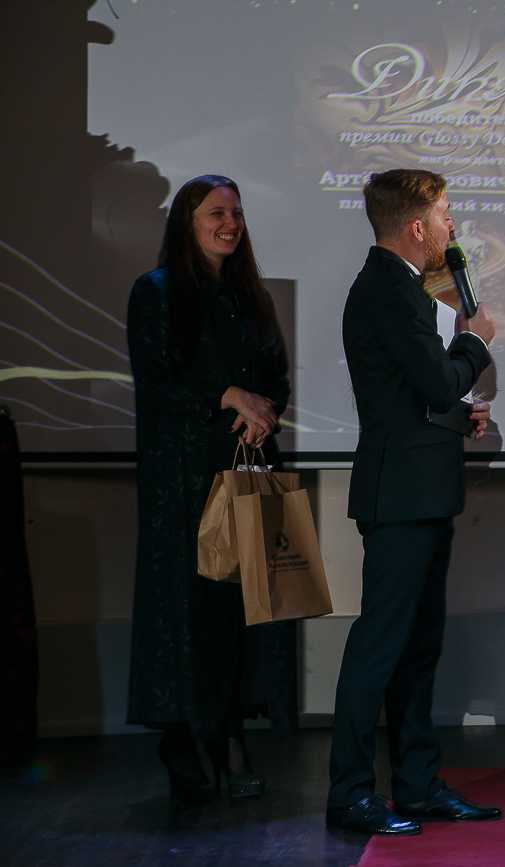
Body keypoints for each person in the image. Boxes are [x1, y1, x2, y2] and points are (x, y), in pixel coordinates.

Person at [326, 169, 499, 836]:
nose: (452, 226)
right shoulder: (388, 288)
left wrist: (458, 415)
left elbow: (415, 395)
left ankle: (418, 785)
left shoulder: (398, 285)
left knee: (417, 646)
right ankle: (350, 793)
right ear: (417, 226)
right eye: (446, 214)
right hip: (399, 493)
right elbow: (435, 380)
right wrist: (477, 341)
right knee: (381, 644)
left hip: (420, 488)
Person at [126, 174, 294, 803]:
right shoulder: (156, 290)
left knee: (242, 616)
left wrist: (263, 411)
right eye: (216, 213)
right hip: (185, 479)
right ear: (187, 222)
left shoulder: (252, 295)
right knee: (190, 612)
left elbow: (276, 377)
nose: (230, 224)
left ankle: (232, 737)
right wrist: (227, 396)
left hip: (248, 464)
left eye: (237, 213)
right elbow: (157, 380)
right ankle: (190, 744)